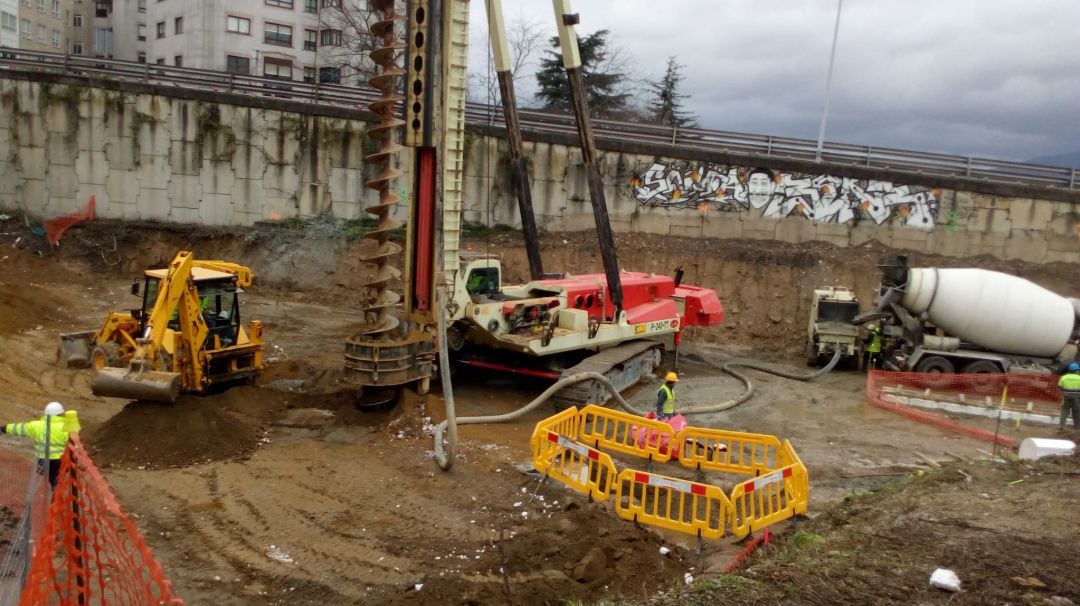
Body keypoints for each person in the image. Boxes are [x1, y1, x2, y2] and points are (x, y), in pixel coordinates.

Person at [1, 402, 72, 488]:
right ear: (60, 414)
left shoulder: (36, 425)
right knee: (57, 478)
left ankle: (53, 486)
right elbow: (73, 444)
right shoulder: (67, 427)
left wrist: (3, 429)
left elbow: (19, 428)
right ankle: (55, 488)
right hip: (59, 461)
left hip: (42, 461)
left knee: (51, 478)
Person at [1058, 362, 1080, 432]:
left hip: (1066, 396)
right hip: (1077, 397)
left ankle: (1061, 427)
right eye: (1078, 370)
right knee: (1077, 412)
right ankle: (1077, 427)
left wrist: (1063, 395)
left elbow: (1059, 387)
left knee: (1064, 411)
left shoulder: (1064, 377)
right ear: (1076, 370)